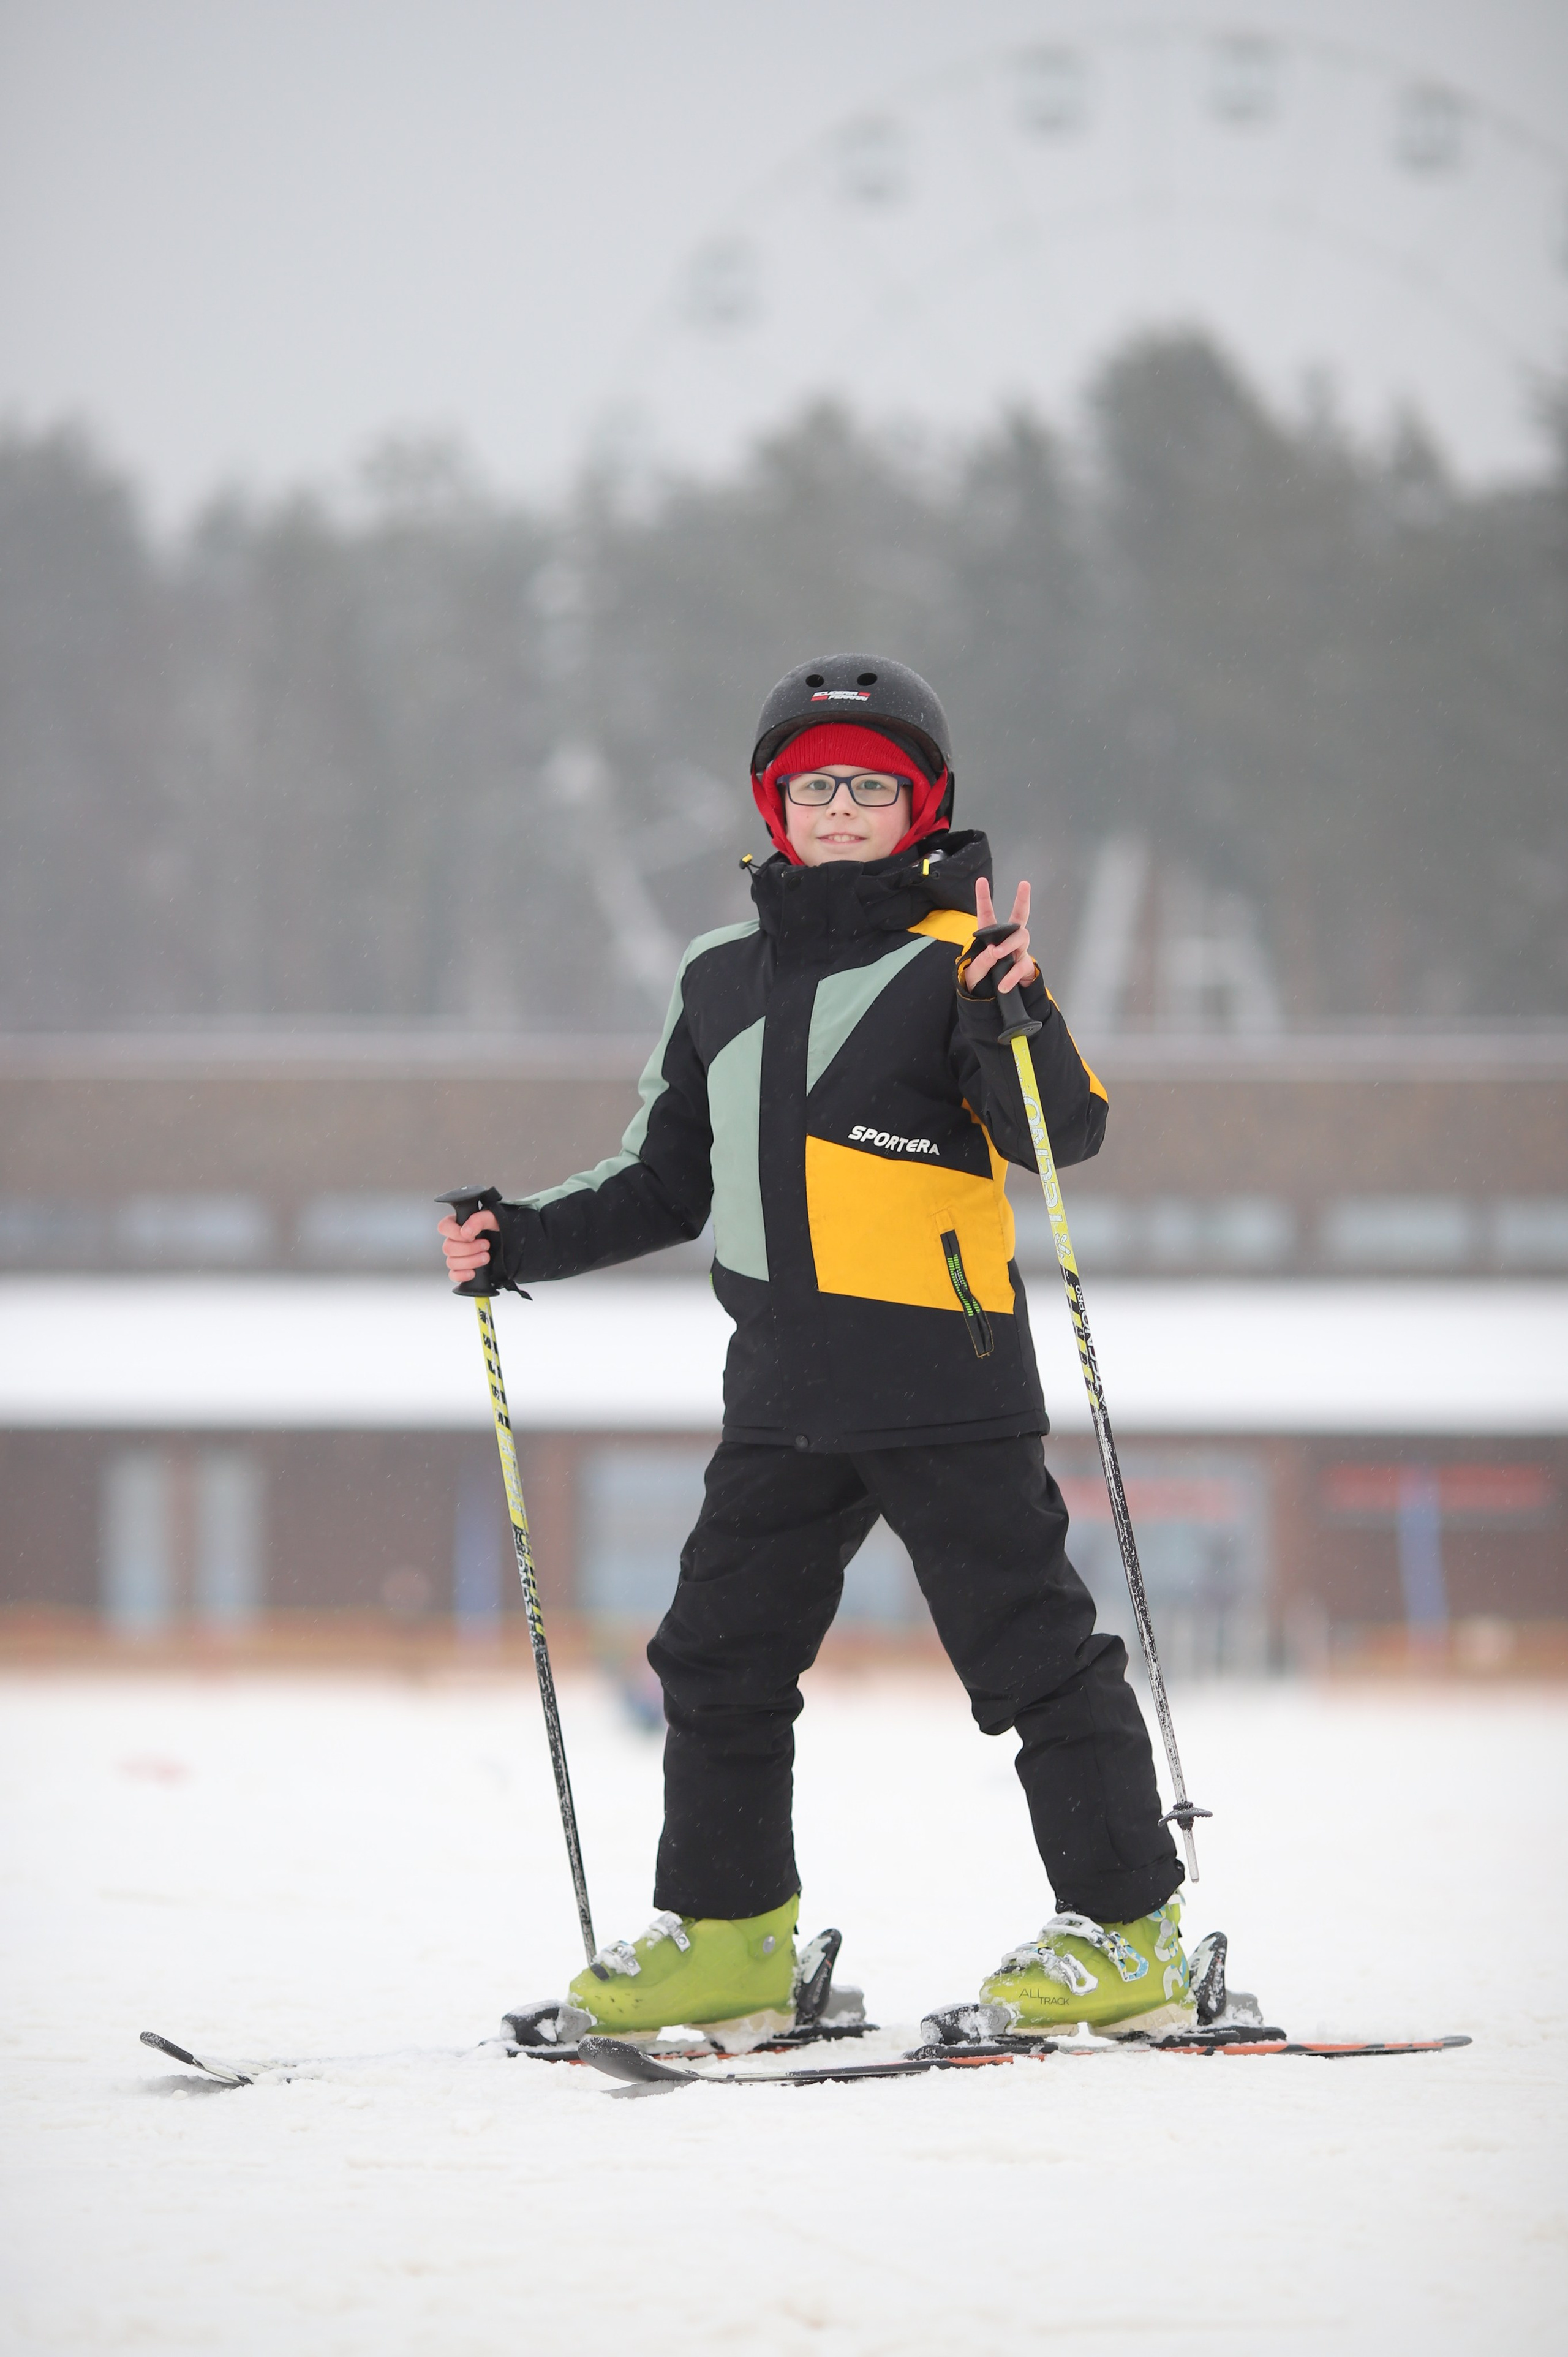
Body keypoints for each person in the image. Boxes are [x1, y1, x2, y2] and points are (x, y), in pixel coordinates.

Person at [439, 654, 1189, 2040]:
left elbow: (1052, 1132)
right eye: (812, 786)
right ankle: (729, 1937)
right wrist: (519, 1237)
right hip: (780, 1386)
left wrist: (1013, 1007)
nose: (839, 808)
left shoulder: (959, 960)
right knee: (716, 1656)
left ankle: (1129, 1931)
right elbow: (665, 1176)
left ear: (922, 805)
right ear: (770, 807)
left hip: (941, 1377)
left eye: (870, 786)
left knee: (1028, 1656)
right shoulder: (718, 975)